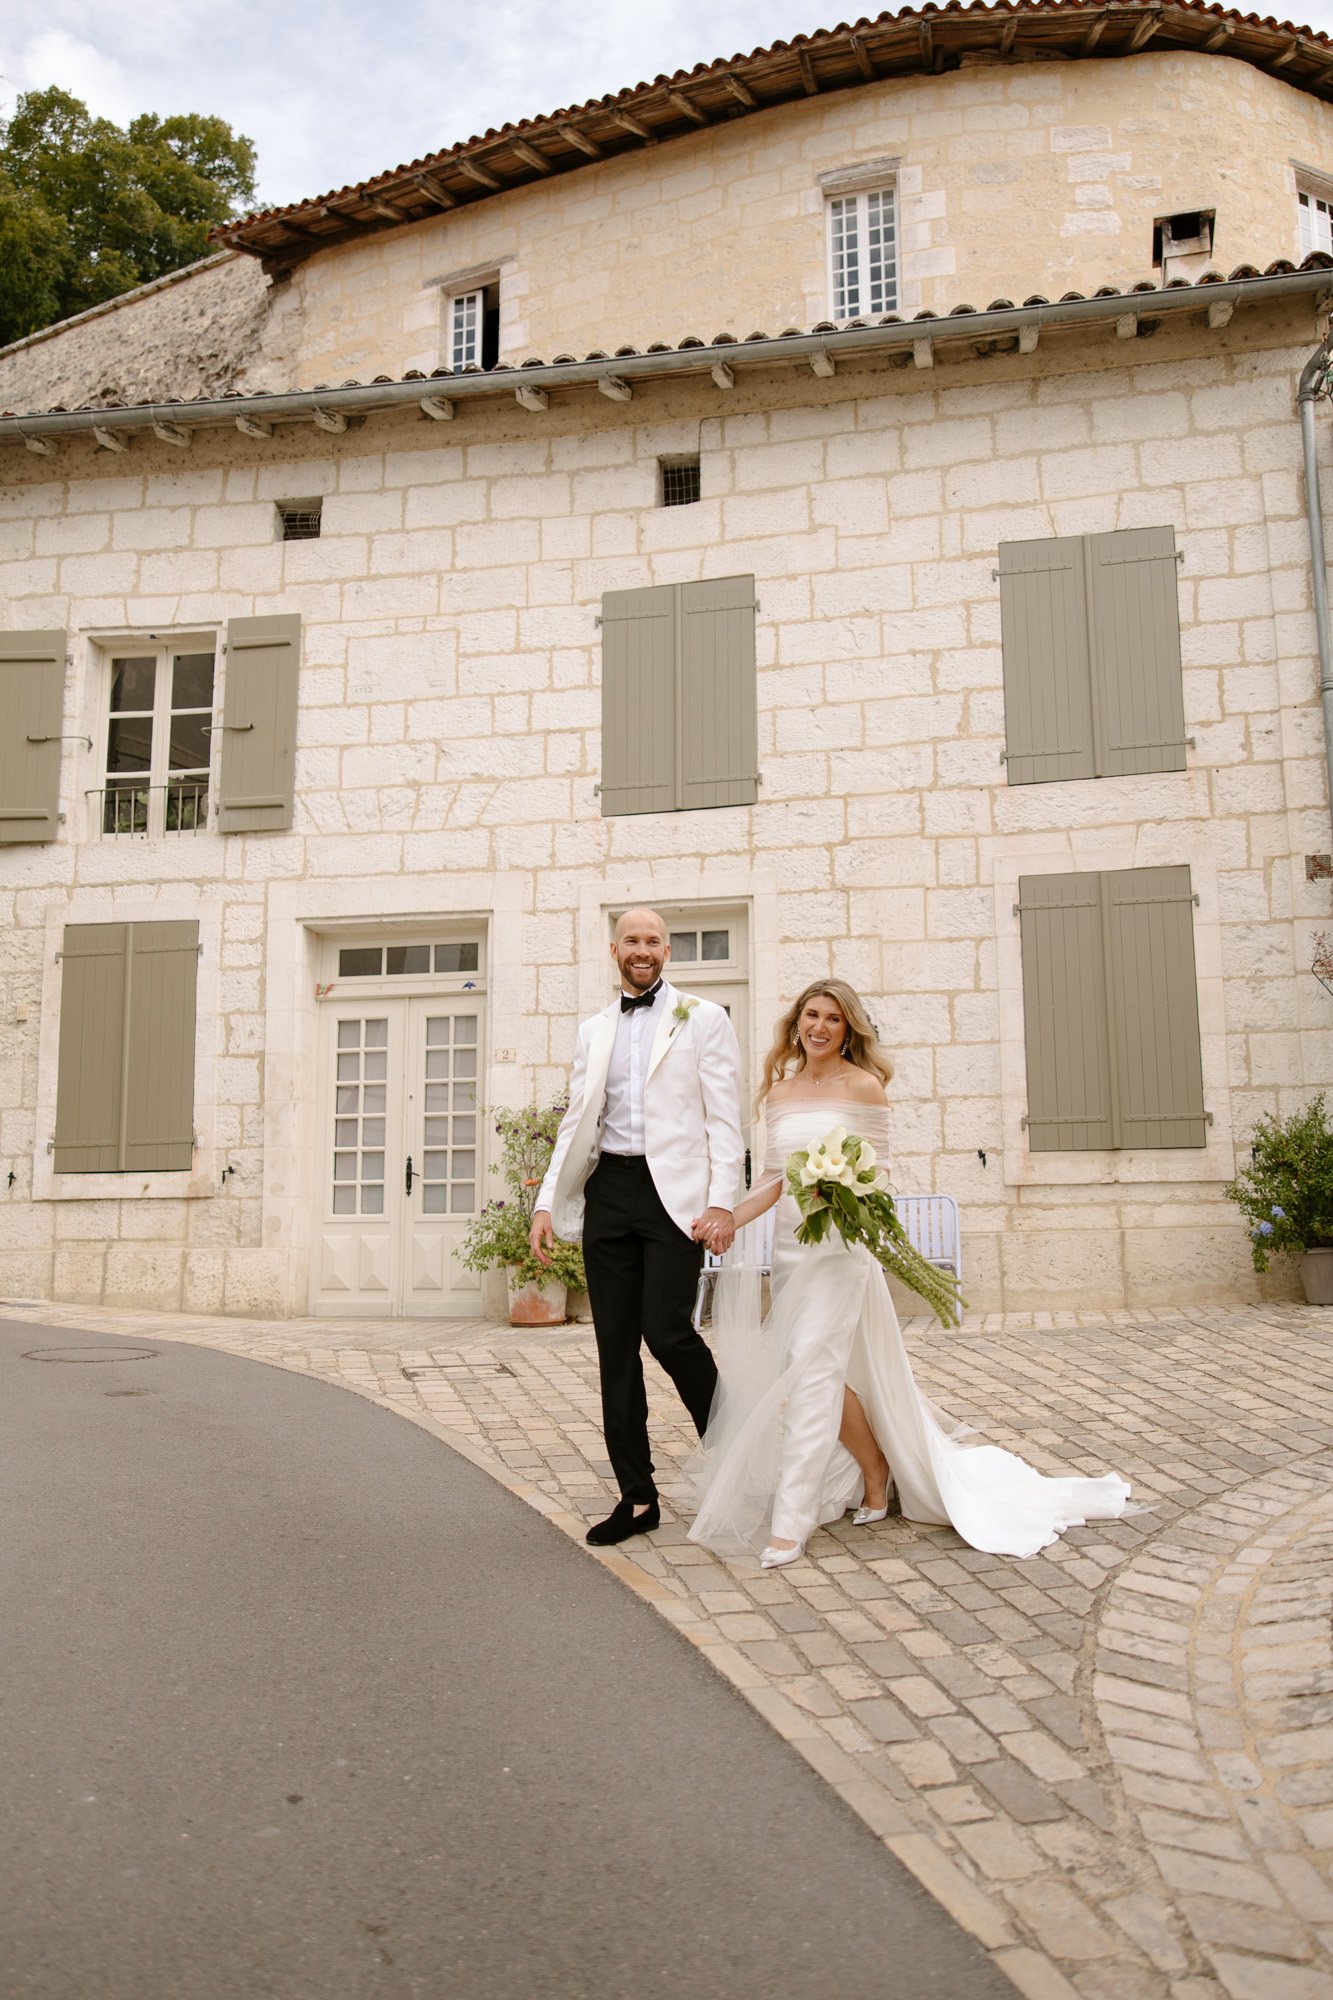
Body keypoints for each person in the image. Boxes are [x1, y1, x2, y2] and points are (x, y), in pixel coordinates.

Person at [687, 980, 1131, 1569]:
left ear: (849, 1031)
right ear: (797, 1023)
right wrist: (730, 1219)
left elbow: (878, 1176)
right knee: (807, 1369)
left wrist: (842, 1194)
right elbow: (771, 1177)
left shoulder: (864, 1088)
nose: (820, 1027)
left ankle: (790, 1525)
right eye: (812, 1016)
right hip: (794, 1253)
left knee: (813, 1374)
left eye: (834, 1020)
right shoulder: (782, 1093)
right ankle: (876, 1469)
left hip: (841, 1252)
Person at [530, 907, 744, 1546]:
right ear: (614, 949)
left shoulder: (703, 1019)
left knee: (667, 1330)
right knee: (615, 1350)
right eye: (632, 940)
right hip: (610, 1191)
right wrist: (545, 1202)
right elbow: (576, 1123)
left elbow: (724, 1119)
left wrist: (723, 1203)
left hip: (674, 1197)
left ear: (667, 951)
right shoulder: (594, 1029)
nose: (642, 949)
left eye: (653, 941)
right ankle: (638, 1499)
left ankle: (739, 1450)